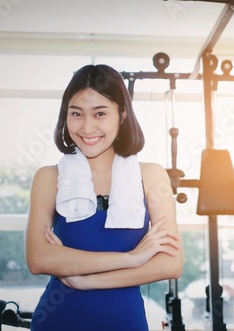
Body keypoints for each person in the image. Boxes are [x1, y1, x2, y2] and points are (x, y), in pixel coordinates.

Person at [25, 64, 184, 331]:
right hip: (58, 322)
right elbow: (39, 259)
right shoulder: (48, 178)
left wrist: (89, 279)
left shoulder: (151, 176)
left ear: (122, 114)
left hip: (125, 323)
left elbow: (171, 263)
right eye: (76, 114)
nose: (87, 127)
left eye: (100, 113)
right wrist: (131, 258)